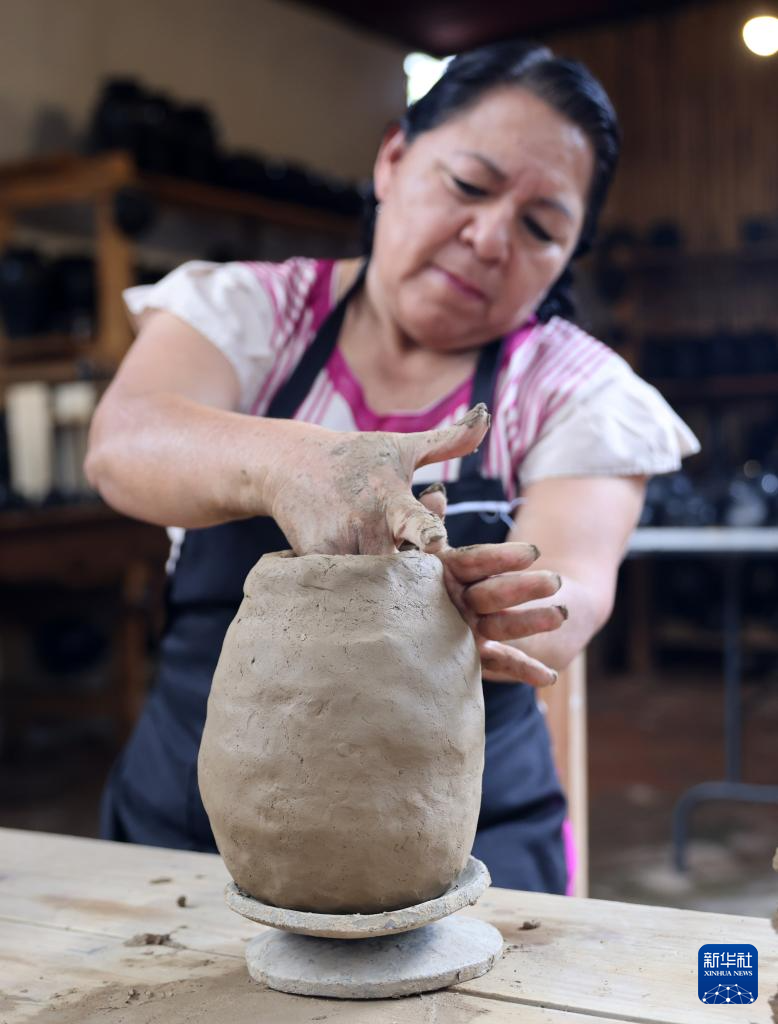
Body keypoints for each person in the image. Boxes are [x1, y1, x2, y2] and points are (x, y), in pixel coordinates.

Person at [86, 39, 698, 896]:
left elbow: (572, 588)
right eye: (470, 185)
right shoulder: (251, 311)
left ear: (568, 257)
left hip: (468, 841)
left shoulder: (577, 387)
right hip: (195, 829)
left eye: (540, 228)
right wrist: (291, 462)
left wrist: (498, 608)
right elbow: (123, 441)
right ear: (393, 159)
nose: (490, 238)